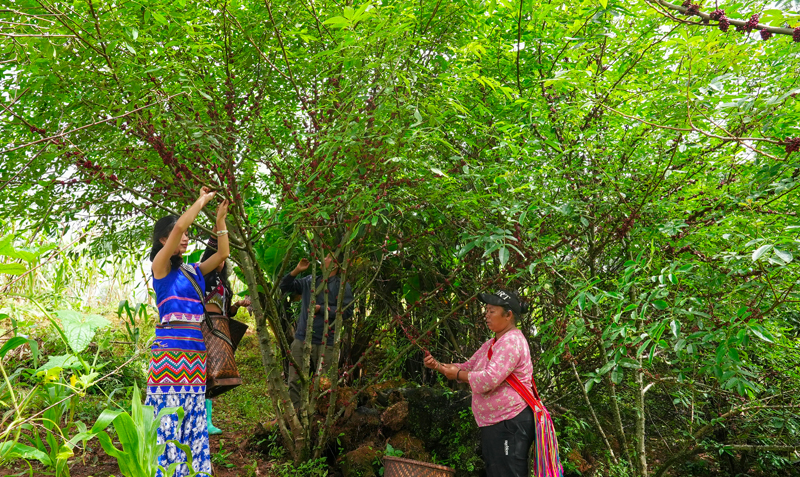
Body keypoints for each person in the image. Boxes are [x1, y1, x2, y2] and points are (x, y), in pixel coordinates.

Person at [147, 187, 229, 477]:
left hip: (195, 354)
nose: (185, 236)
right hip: (169, 356)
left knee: (192, 415)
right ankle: (164, 471)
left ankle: (191, 471)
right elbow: (182, 224)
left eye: (184, 235)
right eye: (177, 234)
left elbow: (223, 253)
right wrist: (201, 201)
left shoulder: (193, 271)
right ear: (163, 239)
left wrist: (220, 221)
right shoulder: (160, 268)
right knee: (167, 416)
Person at [424, 289, 535, 477]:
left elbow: (488, 379)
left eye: (492, 311)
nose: (487, 315)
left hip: (510, 421)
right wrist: (439, 367)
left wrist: (458, 374)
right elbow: (469, 366)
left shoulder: (512, 342)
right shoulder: (493, 342)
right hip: (497, 422)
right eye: (486, 310)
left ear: (508, 315)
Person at [279, 253, 353, 413]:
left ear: (334, 264)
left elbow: (347, 312)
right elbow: (284, 286)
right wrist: (297, 270)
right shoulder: (309, 281)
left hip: (327, 342)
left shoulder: (342, 286)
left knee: (324, 383)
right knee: (294, 380)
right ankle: (296, 414)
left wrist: (324, 310)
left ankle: (319, 417)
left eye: (326, 257)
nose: (322, 257)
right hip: (302, 339)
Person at [200, 227, 251, 435]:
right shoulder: (203, 278)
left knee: (216, 372)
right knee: (203, 372)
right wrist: (218, 228)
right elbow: (211, 250)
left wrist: (237, 306)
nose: (220, 261)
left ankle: (208, 421)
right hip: (204, 327)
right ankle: (200, 419)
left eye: (222, 259)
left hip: (220, 329)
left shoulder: (224, 283)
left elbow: (227, 311)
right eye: (215, 257)